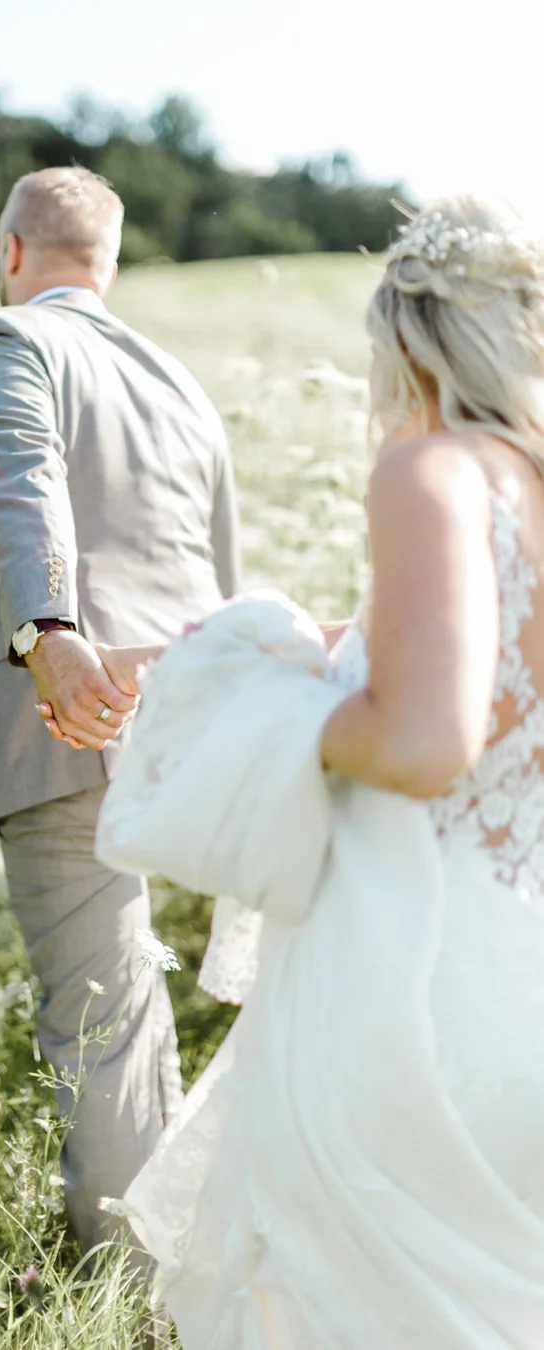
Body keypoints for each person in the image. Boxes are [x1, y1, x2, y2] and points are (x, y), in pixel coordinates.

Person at [44, 195, 544, 1346]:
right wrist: (260, 653)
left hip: (414, 992)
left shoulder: (431, 474)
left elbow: (426, 736)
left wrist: (283, 717)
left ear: (411, 339)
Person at [0, 166, 239, 1265]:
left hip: (77, 724)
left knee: (103, 1033)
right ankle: (185, 1264)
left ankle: (121, 1299)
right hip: (202, 729)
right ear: (103, 263)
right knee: (147, 1020)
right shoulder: (183, 386)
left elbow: (25, 476)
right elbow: (218, 572)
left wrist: (46, 632)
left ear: (11, 251)